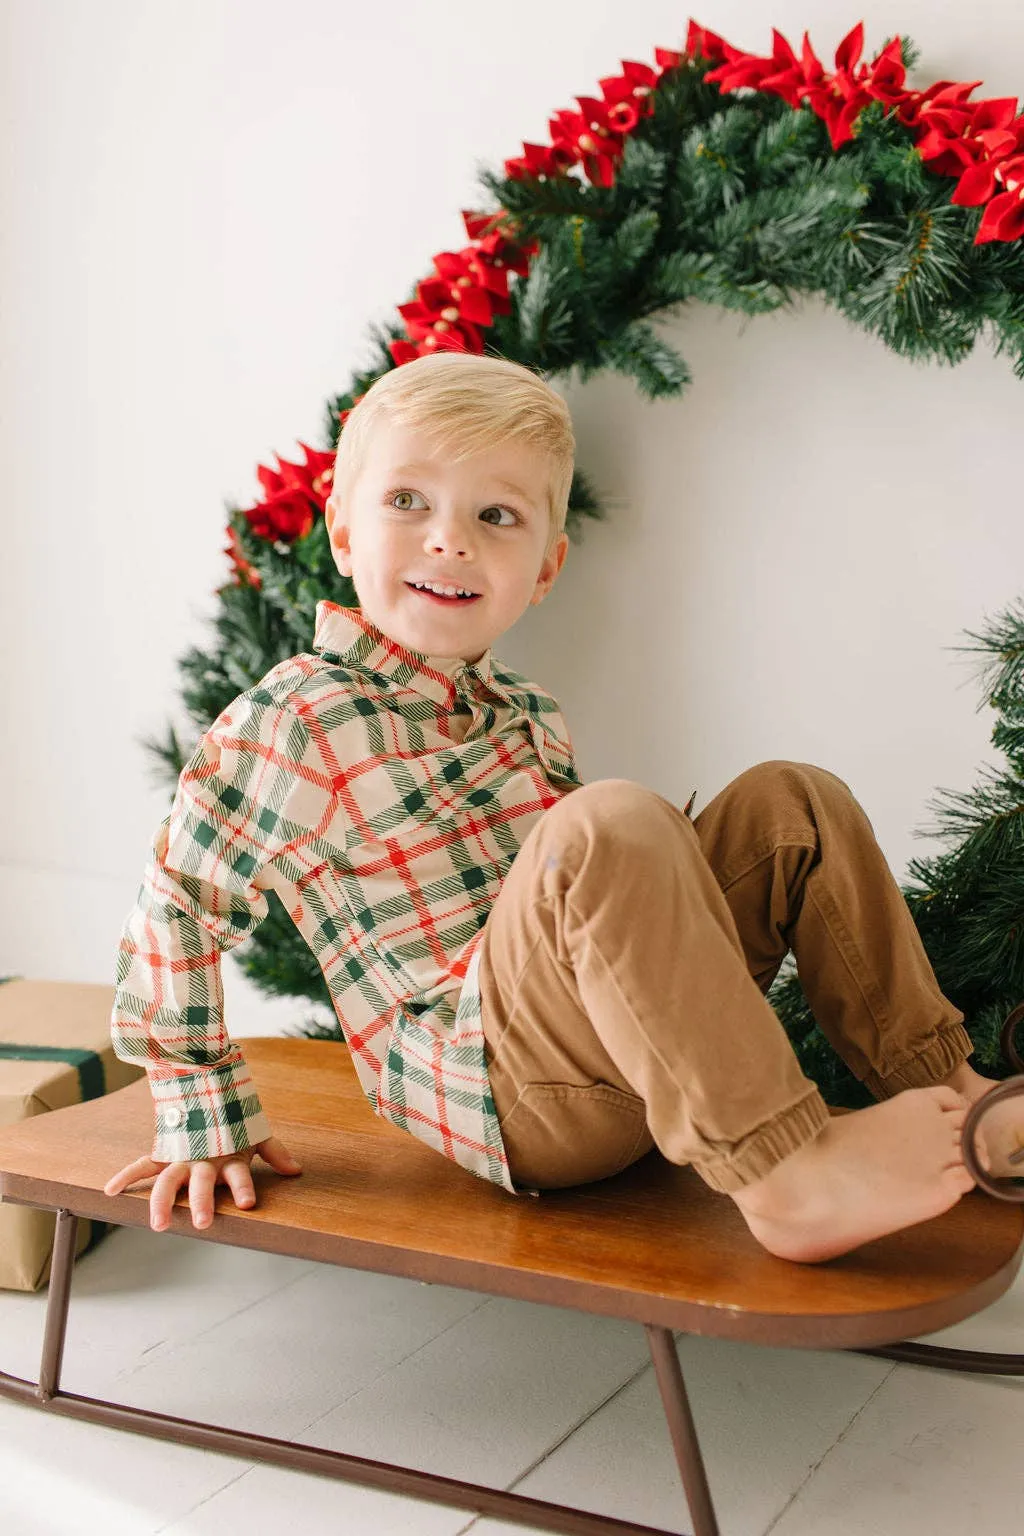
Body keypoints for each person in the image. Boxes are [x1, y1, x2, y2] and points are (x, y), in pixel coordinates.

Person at [104, 350, 1016, 1264]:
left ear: (546, 567)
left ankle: (949, 1097)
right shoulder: (297, 717)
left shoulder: (527, 712)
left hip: (612, 1054)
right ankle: (783, 1178)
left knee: (792, 803)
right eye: (407, 502)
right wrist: (198, 1106)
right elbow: (180, 897)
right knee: (609, 822)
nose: (449, 540)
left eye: (496, 515)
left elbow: (597, 922)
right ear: (341, 532)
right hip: (502, 1094)